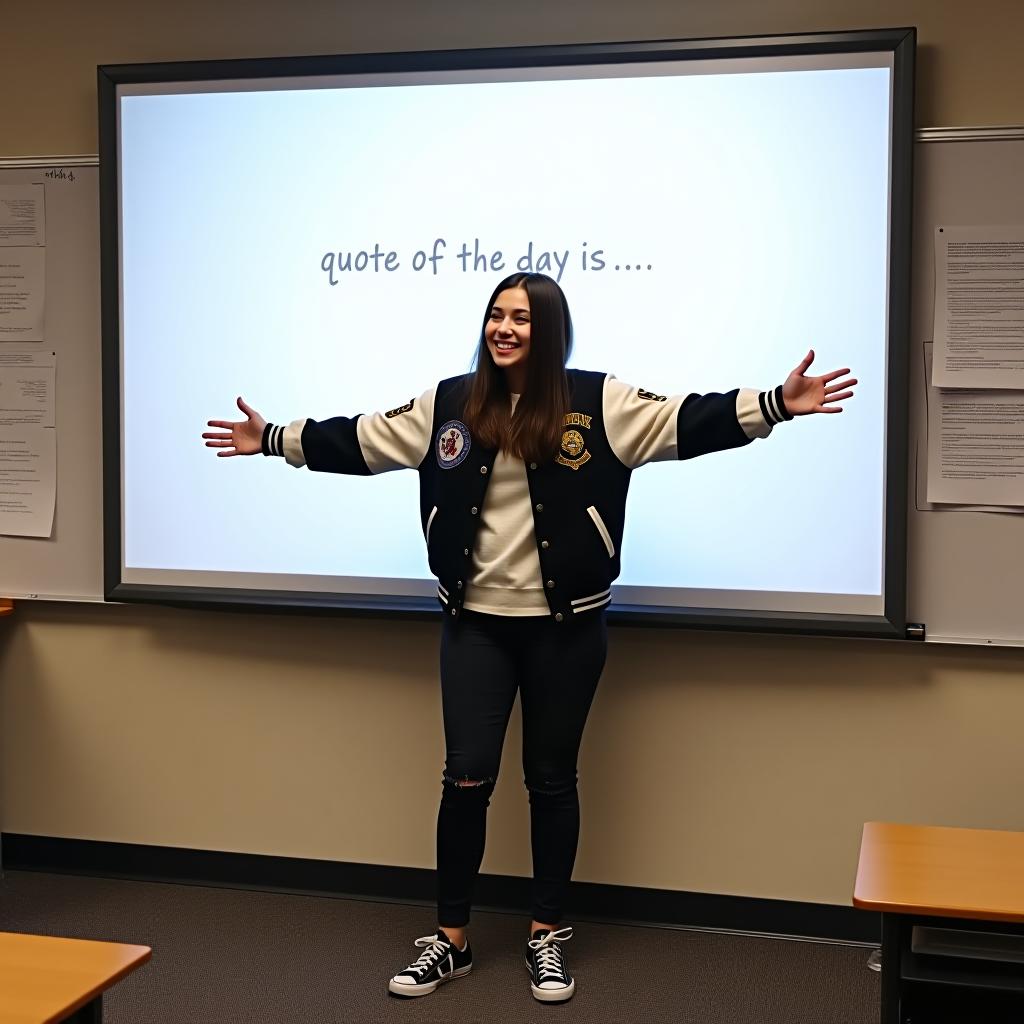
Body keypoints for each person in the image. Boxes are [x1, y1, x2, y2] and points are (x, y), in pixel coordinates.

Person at [203, 272, 856, 1003]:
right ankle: (450, 941)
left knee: (551, 781)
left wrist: (775, 406)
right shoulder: (450, 403)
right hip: (474, 628)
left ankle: (547, 936)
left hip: (567, 632)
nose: (504, 328)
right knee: (465, 778)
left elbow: (687, 420)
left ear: (549, 331)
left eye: (521, 318)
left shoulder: (598, 401)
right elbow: (363, 440)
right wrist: (271, 441)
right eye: (495, 315)